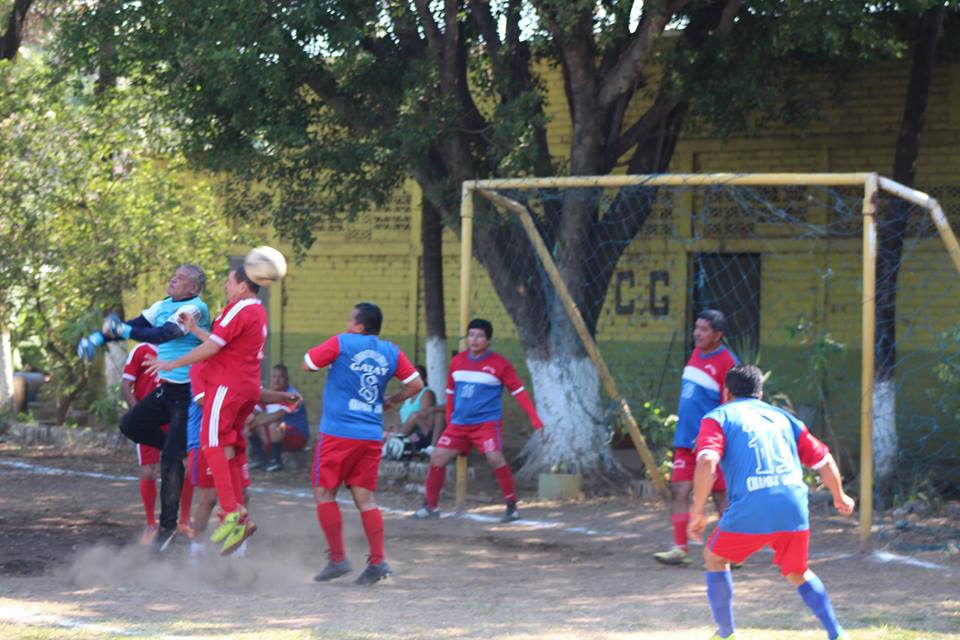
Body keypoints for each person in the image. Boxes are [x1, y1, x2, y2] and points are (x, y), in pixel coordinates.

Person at [688, 364, 854, 640]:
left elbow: (707, 460)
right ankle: (837, 634)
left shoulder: (717, 417)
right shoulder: (785, 418)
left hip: (752, 504)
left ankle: (727, 634)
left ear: (726, 392)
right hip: (793, 505)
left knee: (715, 558)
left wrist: (698, 511)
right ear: (761, 393)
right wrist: (839, 496)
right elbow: (823, 460)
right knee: (798, 571)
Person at [79, 264, 211, 552]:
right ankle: (177, 451)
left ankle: (166, 529)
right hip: (167, 391)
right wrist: (100, 337)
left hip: (189, 394)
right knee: (131, 425)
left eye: (180, 279)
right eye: (172, 276)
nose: (172, 280)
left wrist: (123, 329)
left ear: (193, 288)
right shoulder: (163, 304)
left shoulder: (196, 308)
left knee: (168, 464)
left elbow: (163, 334)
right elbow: (137, 324)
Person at [148, 266, 267, 556]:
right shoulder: (257, 312)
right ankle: (240, 515)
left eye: (229, 282)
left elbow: (214, 348)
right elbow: (222, 345)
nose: (226, 287)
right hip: (246, 388)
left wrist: (170, 364)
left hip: (227, 388)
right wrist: (194, 328)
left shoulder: (238, 310)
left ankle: (231, 514)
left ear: (242, 286)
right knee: (232, 449)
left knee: (211, 445)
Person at [303, 302, 423, 585]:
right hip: (370, 435)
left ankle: (337, 558)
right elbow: (416, 384)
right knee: (366, 500)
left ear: (359, 325)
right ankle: (378, 562)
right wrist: (392, 400)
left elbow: (307, 364)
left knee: (324, 493)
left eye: (349, 319)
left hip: (338, 433)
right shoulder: (391, 351)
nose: (346, 323)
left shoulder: (342, 342)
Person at [413, 318, 544, 523]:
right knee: (437, 457)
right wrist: (449, 419)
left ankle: (512, 507)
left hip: (486, 425)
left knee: (495, 458)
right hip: (458, 425)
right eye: (471, 335)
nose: (474, 339)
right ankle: (431, 506)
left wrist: (535, 420)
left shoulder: (500, 364)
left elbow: (519, 392)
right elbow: (450, 392)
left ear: (488, 340)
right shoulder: (457, 361)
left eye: (480, 336)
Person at [654, 309, 738, 567]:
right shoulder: (696, 353)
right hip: (685, 440)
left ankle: (730, 552)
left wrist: (716, 438)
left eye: (704, 330)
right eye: (696, 328)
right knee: (679, 490)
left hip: (712, 443)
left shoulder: (728, 362)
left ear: (718, 335)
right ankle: (680, 549)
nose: (697, 334)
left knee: (721, 496)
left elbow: (732, 406)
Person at [121, 342, 195, 544]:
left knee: (187, 466)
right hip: (152, 415)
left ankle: (185, 520)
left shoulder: (184, 349)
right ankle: (150, 523)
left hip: (176, 417)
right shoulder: (141, 350)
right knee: (148, 471)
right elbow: (126, 384)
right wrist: (139, 413)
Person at [246, 363, 310, 472]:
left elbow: (278, 415)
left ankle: (276, 461)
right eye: (274, 377)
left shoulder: (293, 395)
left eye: (280, 377)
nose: (276, 380)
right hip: (276, 436)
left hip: (296, 436)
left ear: (287, 379)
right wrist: (245, 421)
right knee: (251, 422)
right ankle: (260, 459)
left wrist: (257, 423)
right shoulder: (271, 395)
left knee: (274, 424)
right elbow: (252, 412)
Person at [384, 365, 443, 455]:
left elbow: (423, 415)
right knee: (386, 434)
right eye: (411, 376)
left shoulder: (426, 393)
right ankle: (395, 441)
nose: (413, 379)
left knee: (414, 417)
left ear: (424, 378)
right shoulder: (409, 394)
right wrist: (395, 427)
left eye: (417, 376)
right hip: (407, 433)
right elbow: (401, 416)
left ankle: (395, 441)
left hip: (421, 434)